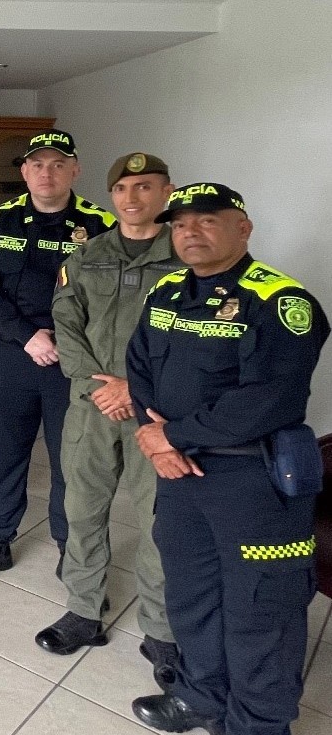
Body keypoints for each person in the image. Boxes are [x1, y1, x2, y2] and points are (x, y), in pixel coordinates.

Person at [127, 183, 329, 735]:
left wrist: (174, 438)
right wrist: (154, 437)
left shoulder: (282, 301)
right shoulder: (167, 292)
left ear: (243, 228)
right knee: (193, 594)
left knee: (260, 609)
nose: (190, 231)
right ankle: (202, 698)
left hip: (252, 477)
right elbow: (139, 366)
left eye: (207, 220)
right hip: (180, 475)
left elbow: (270, 396)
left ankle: (259, 725)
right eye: (180, 223)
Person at [37, 154, 180, 688]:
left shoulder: (184, 259)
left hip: (156, 413)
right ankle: (82, 609)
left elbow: (188, 340)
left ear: (166, 192)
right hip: (91, 404)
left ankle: (162, 631)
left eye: (144, 187)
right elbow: (66, 322)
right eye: (122, 187)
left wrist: (134, 390)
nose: (132, 198)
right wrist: (102, 386)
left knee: (157, 519)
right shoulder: (87, 255)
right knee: (82, 506)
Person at [0, 129, 116, 582]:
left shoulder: (100, 225)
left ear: (74, 170)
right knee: (4, 452)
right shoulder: (0, 219)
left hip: (74, 362)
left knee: (73, 461)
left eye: (57, 164)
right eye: (37, 164)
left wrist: (66, 342)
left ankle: (74, 549)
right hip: (12, 353)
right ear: (25, 171)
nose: (46, 173)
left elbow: (108, 300)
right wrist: (27, 335)